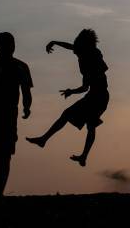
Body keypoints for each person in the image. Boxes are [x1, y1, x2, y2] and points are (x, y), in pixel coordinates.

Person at [27, 29, 109, 167]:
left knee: (90, 125)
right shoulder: (85, 55)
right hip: (93, 95)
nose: (74, 52)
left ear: (83, 48)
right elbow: (70, 46)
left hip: (99, 97)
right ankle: (45, 140)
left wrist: (72, 91)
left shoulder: (93, 57)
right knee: (71, 117)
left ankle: (80, 155)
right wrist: (54, 42)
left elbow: (86, 86)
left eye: (77, 50)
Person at [0, 32, 32, 198]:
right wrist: (26, 107)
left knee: (2, 153)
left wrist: (26, 106)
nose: (11, 47)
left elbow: (25, 90)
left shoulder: (18, 66)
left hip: (3, 114)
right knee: (1, 153)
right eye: (8, 44)